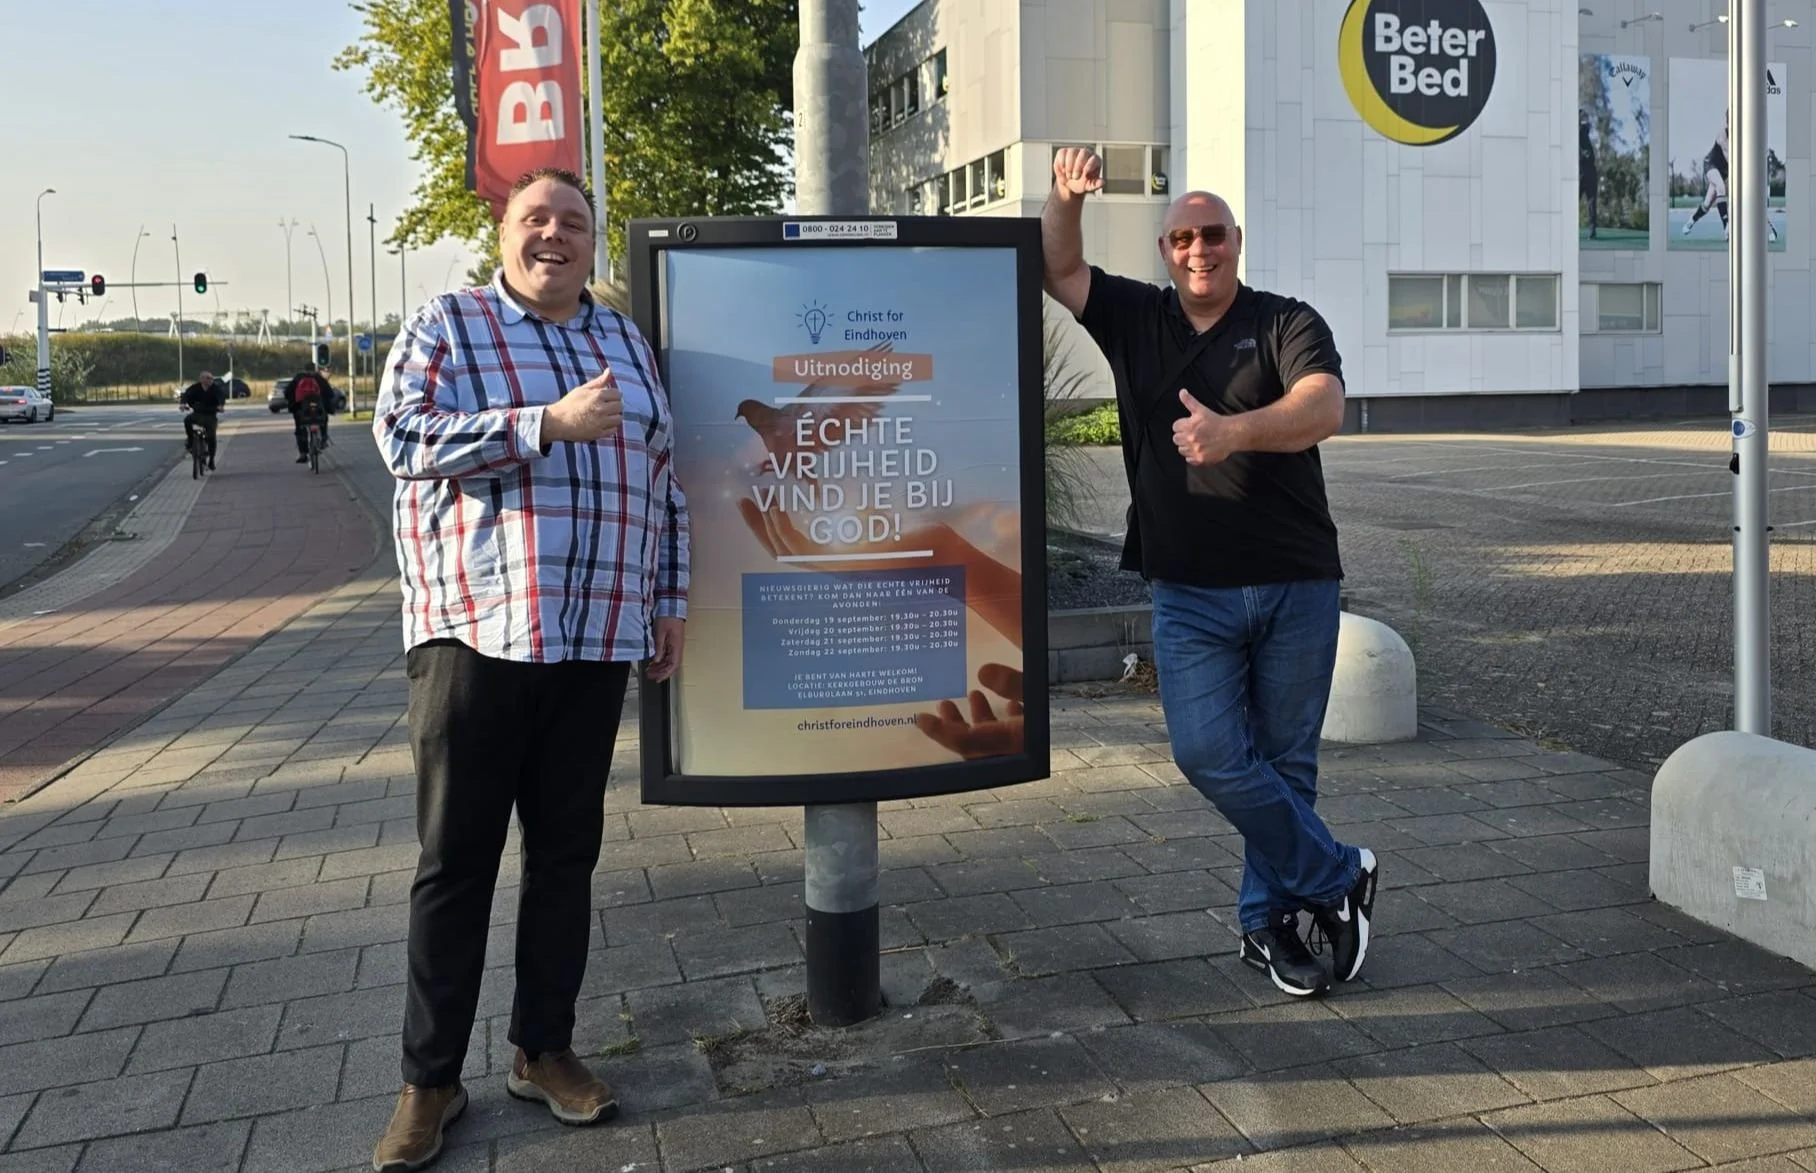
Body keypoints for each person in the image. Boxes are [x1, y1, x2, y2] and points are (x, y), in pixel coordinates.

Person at [369, 167, 690, 1172]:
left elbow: (665, 477)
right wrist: (540, 424)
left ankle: (541, 1049)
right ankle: (429, 1082)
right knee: (455, 865)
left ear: (593, 244)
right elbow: (401, 438)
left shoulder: (624, 341)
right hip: (476, 638)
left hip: (594, 640)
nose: (555, 235)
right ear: (503, 232)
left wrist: (667, 601)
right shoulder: (449, 325)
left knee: (564, 859)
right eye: (536, 218)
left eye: (575, 223)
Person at [1040, 146, 1377, 999]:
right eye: (1184, 237)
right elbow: (1059, 264)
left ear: (1237, 240)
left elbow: (1324, 405)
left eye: (1214, 235)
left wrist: (1233, 432)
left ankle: (1266, 927)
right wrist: (1064, 197)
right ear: (1165, 249)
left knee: (1287, 762)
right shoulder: (1133, 317)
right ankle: (1338, 873)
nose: (1200, 250)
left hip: (1297, 581)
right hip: (1189, 591)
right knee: (1209, 752)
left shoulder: (1284, 320)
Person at [285, 361, 335, 463]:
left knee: (300, 429)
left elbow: (287, 392)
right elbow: (330, 393)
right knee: (323, 419)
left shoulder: (297, 378)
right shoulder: (319, 378)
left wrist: (293, 403)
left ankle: (303, 453)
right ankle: (323, 439)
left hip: (301, 410)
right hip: (318, 409)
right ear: (314, 368)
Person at [178, 371, 226, 469]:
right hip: (198, 413)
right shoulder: (195, 388)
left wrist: (221, 405)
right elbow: (186, 394)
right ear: (202, 379)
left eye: (211, 378)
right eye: (208, 378)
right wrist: (183, 403)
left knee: (211, 437)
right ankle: (191, 440)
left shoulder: (215, 389)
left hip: (210, 414)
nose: (210, 380)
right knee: (187, 420)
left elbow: (221, 396)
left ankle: (211, 460)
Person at [1579, 109, 1600, 239]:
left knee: (1591, 202)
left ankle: (1592, 230)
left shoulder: (1584, 133)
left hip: (1589, 172)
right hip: (1582, 171)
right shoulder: (1578, 133)